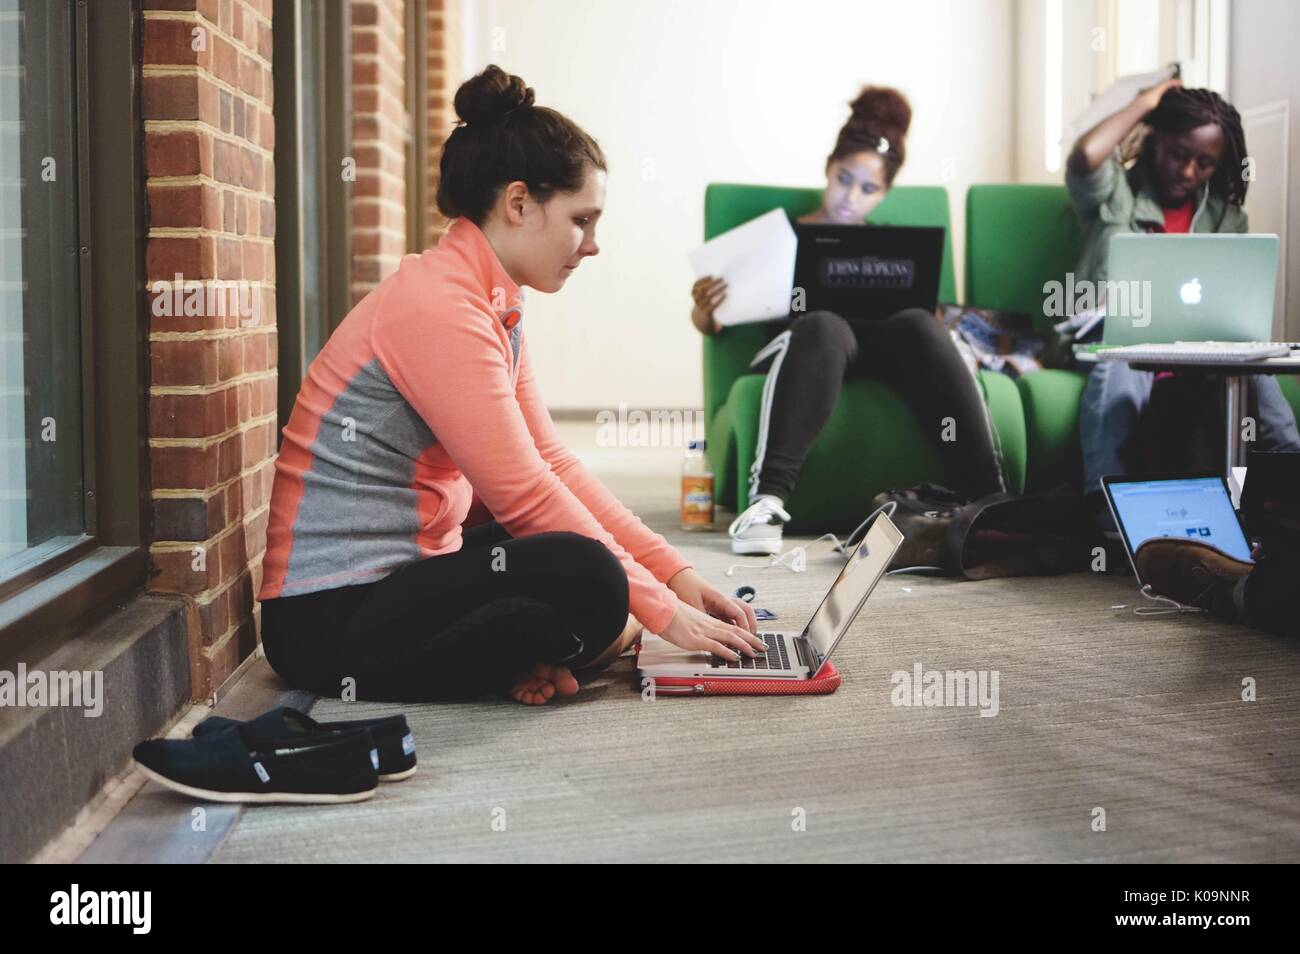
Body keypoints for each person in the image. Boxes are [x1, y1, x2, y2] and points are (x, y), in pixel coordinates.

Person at [258, 65, 765, 706]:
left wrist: (676, 574)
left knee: (562, 552)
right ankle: (540, 655)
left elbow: (551, 463)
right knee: (587, 575)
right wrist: (664, 613)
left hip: (408, 578)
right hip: (326, 617)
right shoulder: (438, 306)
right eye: (582, 220)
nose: (592, 245)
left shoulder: (491, 301)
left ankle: (525, 660)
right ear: (519, 203)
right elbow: (524, 493)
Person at [690, 87, 1006, 556]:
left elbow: (922, 324)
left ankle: (990, 498)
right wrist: (704, 309)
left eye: (868, 189)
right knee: (824, 325)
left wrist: (933, 320)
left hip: (878, 350)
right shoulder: (783, 237)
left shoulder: (892, 249)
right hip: (804, 349)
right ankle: (767, 502)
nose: (850, 196)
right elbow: (714, 324)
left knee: (920, 323)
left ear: (884, 193)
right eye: (843, 179)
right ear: (828, 168)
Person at [1066, 78, 1300, 526]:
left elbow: (1233, 304)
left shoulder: (1227, 218)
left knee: (1258, 373)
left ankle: (1289, 491)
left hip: (1199, 347)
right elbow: (1085, 157)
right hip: (1123, 341)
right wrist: (1146, 102)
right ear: (1155, 142)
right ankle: (1107, 513)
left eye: (1205, 163)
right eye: (1178, 154)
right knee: (1121, 368)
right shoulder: (1114, 194)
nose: (1189, 171)